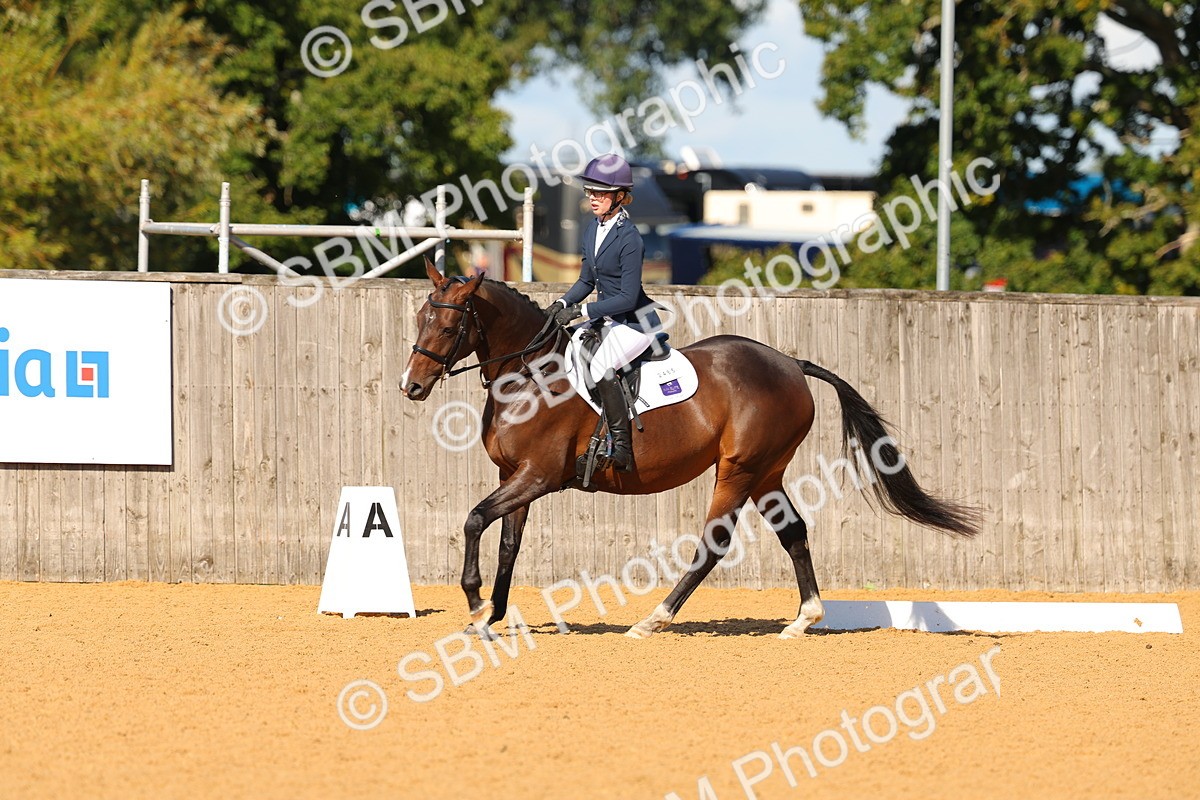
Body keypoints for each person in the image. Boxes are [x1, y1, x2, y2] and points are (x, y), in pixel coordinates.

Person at [547, 153, 664, 473]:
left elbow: (627, 297)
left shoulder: (630, 237)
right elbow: (586, 280)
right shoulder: (591, 229)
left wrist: (582, 309)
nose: (593, 197)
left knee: (600, 366)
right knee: (570, 356)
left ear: (620, 197)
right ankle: (592, 435)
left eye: (600, 192)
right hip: (605, 319)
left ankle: (622, 447)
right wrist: (561, 304)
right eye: (590, 191)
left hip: (635, 323)